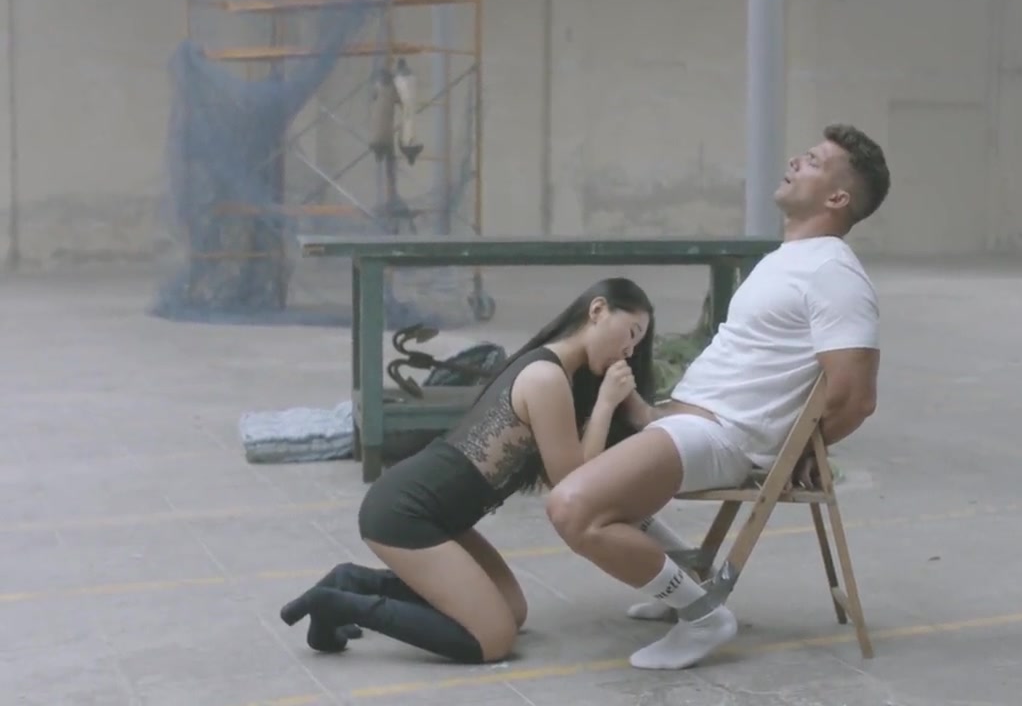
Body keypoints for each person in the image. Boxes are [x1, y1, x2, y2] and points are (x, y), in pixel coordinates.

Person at [543, 124, 890, 670]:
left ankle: (702, 613)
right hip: (688, 424)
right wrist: (645, 410)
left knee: (571, 507)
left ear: (837, 198)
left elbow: (855, 397)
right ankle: (685, 578)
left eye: (814, 161)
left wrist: (801, 453)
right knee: (566, 465)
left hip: (721, 437)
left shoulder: (834, 273)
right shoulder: (789, 258)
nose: (795, 161)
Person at [279, 277, 656, 664]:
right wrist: (606, 405)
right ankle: (336, 604)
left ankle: (353, 582)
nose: (629, 350)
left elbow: (557, 473)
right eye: (631, 333)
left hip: (442, 517)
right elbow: (570, 484)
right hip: (405, 512)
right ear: (598, 311)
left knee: (511, 609)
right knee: (493, 638)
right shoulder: (546, 377)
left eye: (637, 344)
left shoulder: (559, 375)